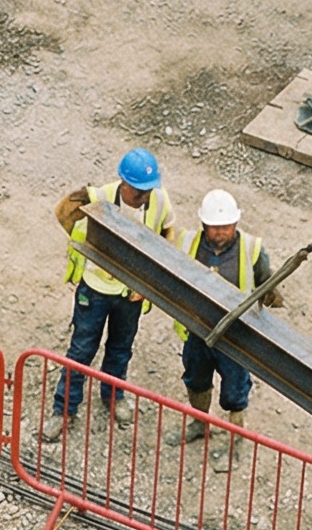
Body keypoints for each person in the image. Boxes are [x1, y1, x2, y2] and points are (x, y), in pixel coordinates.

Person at [45, 148, 174, 440]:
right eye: (139, 191)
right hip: (95, 288)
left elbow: (168, 232)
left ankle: (113, 396)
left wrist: (148, 283)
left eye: (147, 190)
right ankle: (64, 409)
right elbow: (63, 213)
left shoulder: (159, 201)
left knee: (120, 348)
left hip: (130, 293)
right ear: (124, 184)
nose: (144, 196)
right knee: (81, 350)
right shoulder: (101, 198)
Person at [173, 190, 279, 454]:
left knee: (235, 391)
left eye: (226, 226)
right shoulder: (187, 243)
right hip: (197, 330)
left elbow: (267, 286)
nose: (221, 232)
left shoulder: (252, 249)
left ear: (236, 223)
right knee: (196, 380)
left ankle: (235, 440)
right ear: (204, 225)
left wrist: (272, 296)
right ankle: (200, 423)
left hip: (234, 337)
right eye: (215, 227)